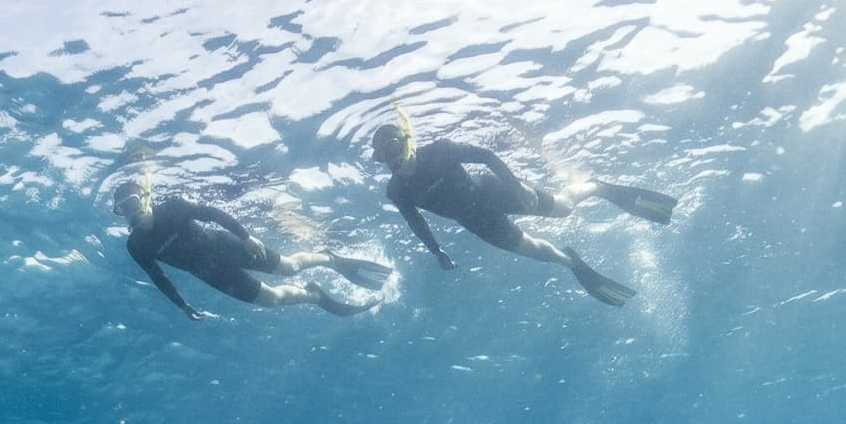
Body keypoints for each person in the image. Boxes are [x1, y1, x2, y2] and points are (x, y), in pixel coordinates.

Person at [368, 114, 678, 307]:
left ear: (406, 142)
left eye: (392, 149)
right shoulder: (396, 190)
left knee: (564, 208)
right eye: (382, 157)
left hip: (496, 192)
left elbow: (487, 156)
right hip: (476, 222)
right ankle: (572, 261)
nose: (390, 160)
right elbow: (415, 221)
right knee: (536, 251)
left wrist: (517, 187)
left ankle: (596, 186)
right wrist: (437, 251)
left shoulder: (440, 151)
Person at [113, 180, 392, 321]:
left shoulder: (172, 207)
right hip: (212, 275)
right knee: (271, 300)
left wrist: (245, 236)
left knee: (289, 267)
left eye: (133, 202)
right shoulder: (136, 245)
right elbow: (158, 277)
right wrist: (182, 305)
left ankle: (328, 258)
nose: (130, 211)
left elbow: (212, 213)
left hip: (227, 247)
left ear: (146, 197)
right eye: (123, 208)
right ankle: (313, 295)